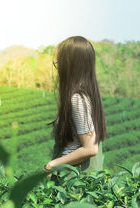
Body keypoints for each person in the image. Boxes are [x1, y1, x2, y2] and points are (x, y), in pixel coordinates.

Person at [43, 36, 107, 178]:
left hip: (73, 179)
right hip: (78, 177)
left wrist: (51, 165)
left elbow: (90, 148)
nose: (57, 67)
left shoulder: (78, 99)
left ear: (70, 66)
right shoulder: (88, 96)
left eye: (59, 62)